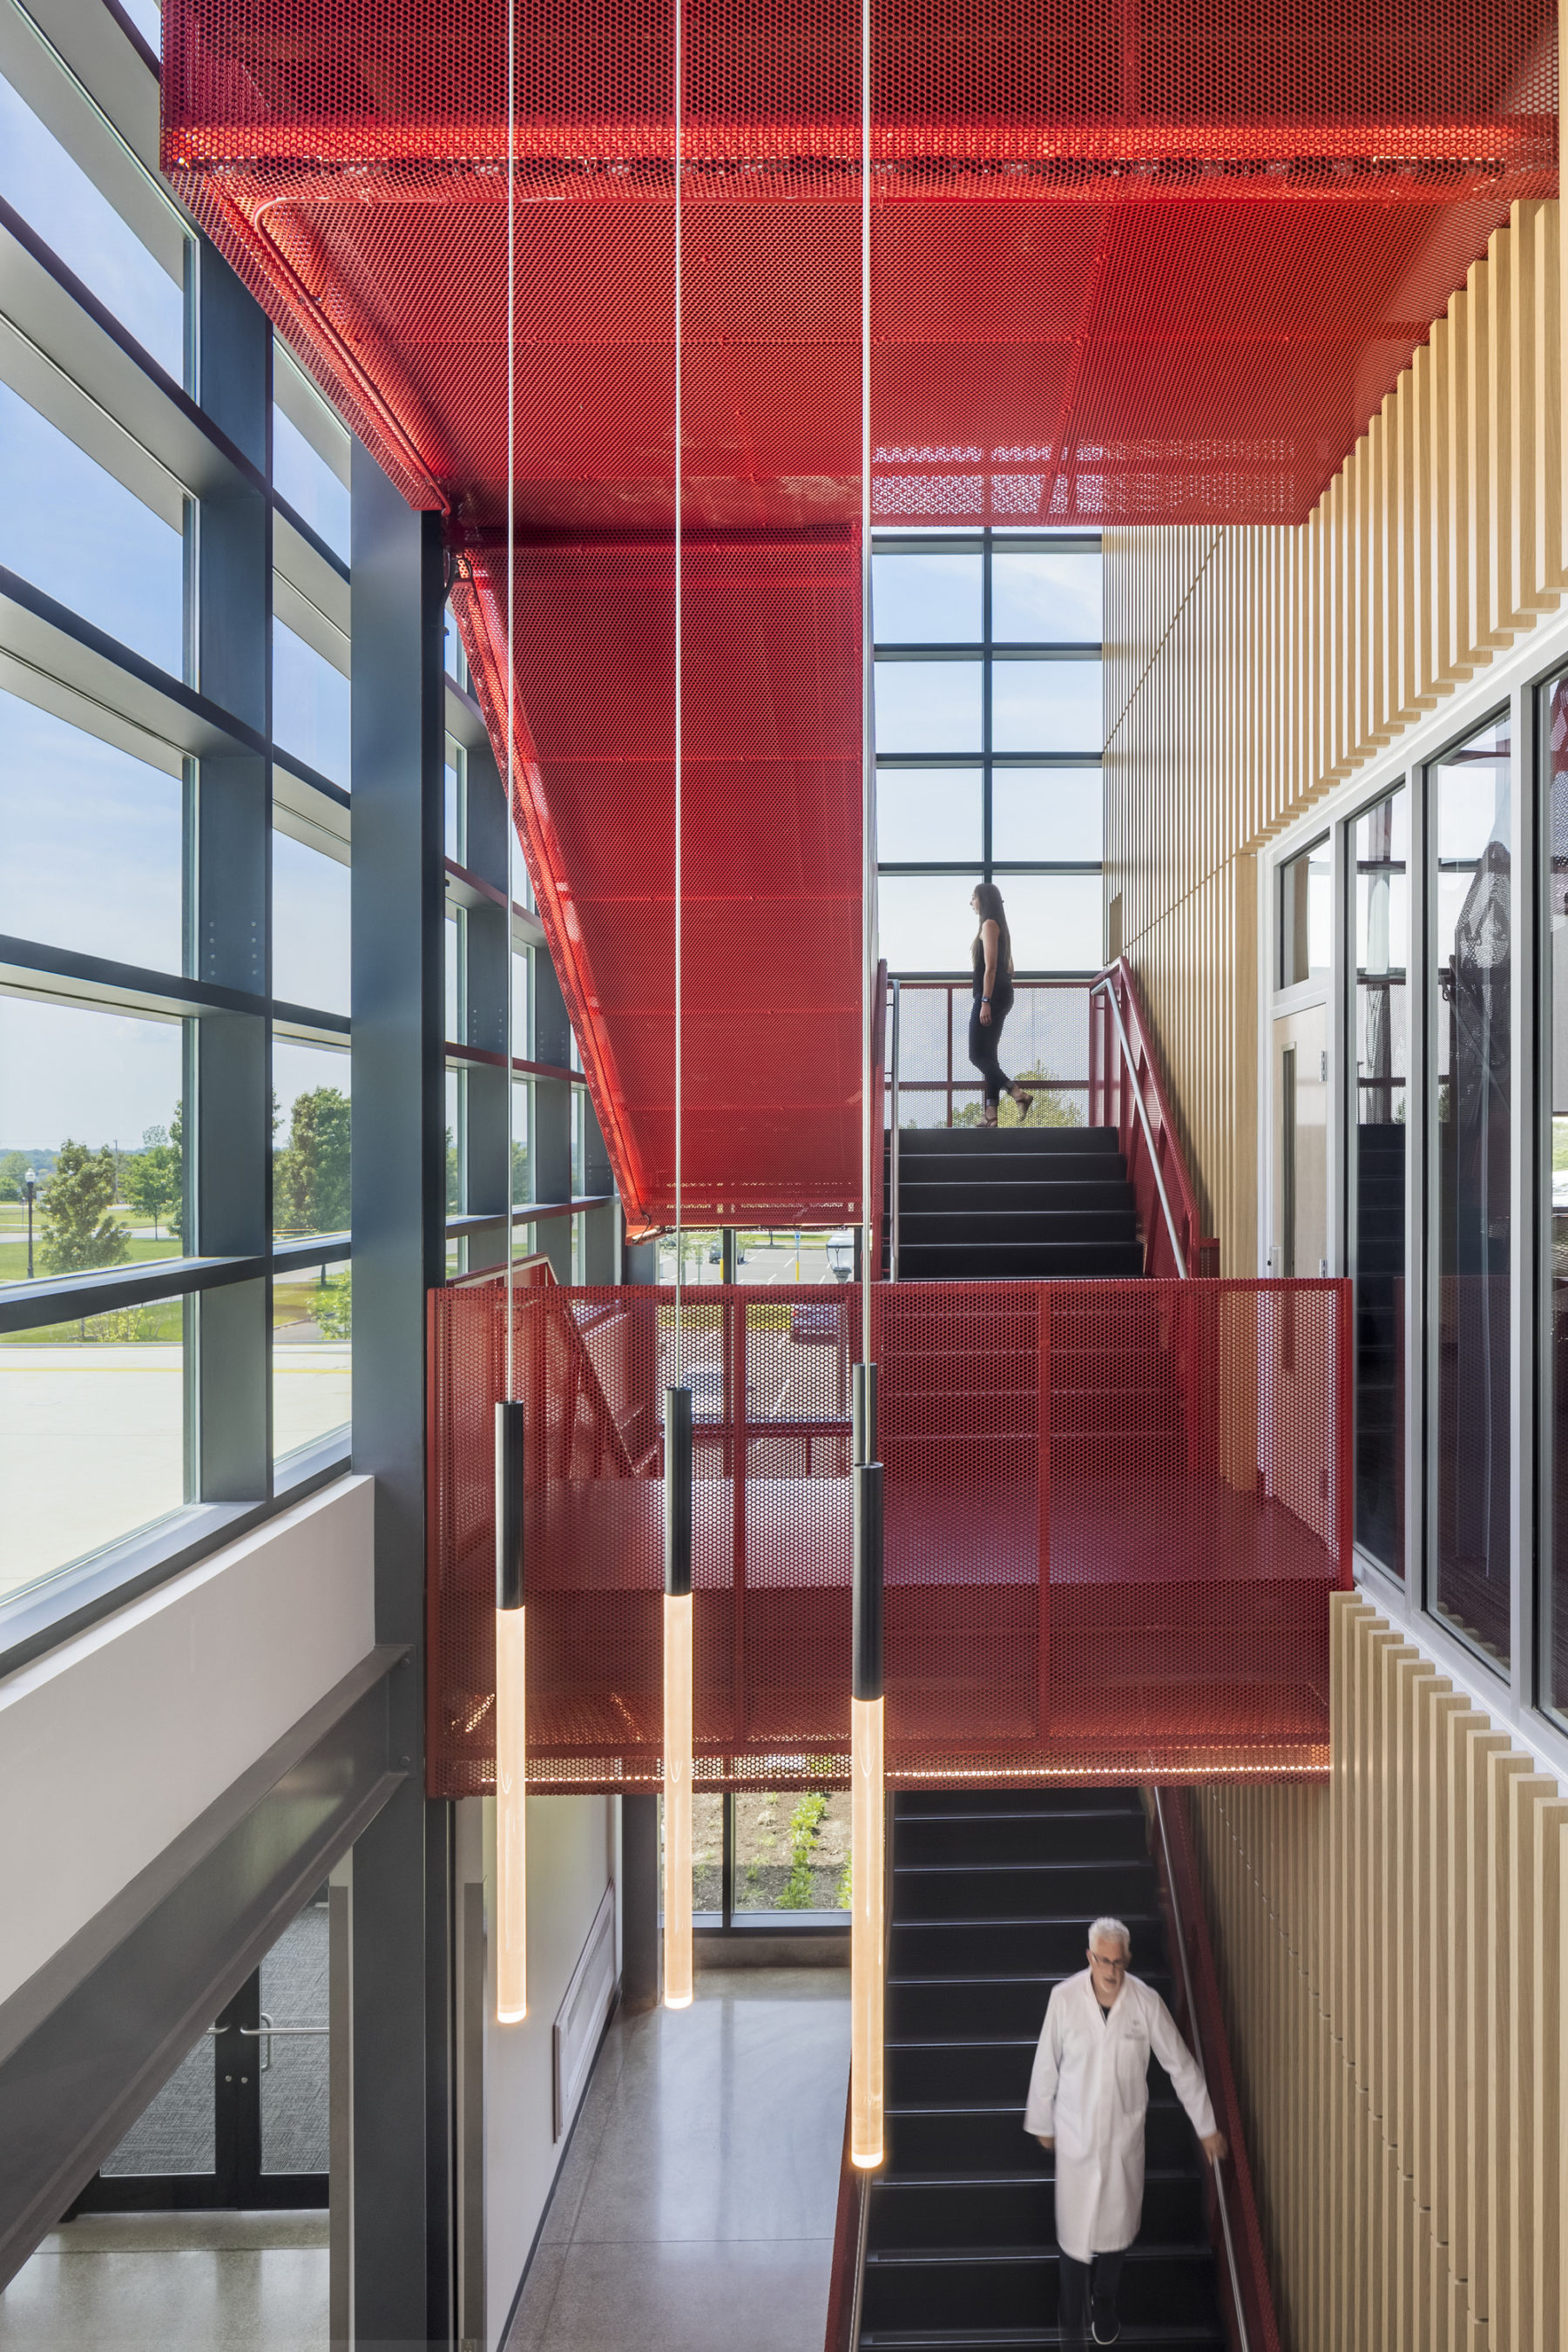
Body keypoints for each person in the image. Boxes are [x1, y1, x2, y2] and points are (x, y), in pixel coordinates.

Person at [1024, 1916, 1227, 2349]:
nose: (1112, 1972)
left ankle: (1106, 2302)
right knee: (1074, 2238)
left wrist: (1206, 2126)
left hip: (1123, 2137)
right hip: (1076, 2134)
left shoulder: (1146, 2003)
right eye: (1103, 1961)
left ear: (1127, 1959)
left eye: (1118, 1962)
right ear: (1089, 1957)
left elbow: (1181, 2065)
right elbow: (1047, 2062)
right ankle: (1072, 2329)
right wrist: (1042, 2121)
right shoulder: (1063, 1998)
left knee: (1116, 2232)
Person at [969, 882, 1033, 1127]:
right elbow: (1011, 969)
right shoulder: (1001, 926)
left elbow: (992, 968)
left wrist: (985, 1000)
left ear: (982, 900)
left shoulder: (988, 925)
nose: (971, 903)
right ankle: (991, 1115)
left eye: (973, 898)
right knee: (989, 1057)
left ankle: (1018, 1094)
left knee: (976, 1056)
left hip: (991, 996)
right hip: (1003, 994)